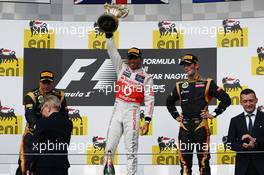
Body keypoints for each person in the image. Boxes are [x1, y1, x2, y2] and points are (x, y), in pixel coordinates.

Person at [166, 54, 231, 175]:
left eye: (189, 64)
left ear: (196, 65)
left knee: (203, 163)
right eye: (184, 65)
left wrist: (214, 113)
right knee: (185, 164)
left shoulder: (207, 83)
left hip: (201, 127)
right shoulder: (180, 85)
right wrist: (175, 115)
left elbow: (226, 99)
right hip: (184, 128)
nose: (186, 67)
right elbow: (169, 102)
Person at [104, 33, 154, 175]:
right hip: (118, 107)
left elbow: (150, 100)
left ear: (140, 59)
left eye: (135, 58)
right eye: (130, 57)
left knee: (131, 150)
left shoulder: (147, 77)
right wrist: (109, 36)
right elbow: (111, 50)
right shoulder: (121, 67)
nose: (132, 60)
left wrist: (147, 121)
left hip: (133, 111)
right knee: (109, 148)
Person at [16, 70, 68, 175]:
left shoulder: (60, 95)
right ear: (39, 82)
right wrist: (39, 126)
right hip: (33, 134)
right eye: (44, 82)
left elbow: (64, 116)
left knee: (52, 163)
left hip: (51, 136)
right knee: (24, 163)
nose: (46, 85)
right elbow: (29, 115)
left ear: (52, 83)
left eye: (48, 83)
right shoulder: (31, 96)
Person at [30, 95, 73, 175]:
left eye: (42, 109)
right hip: (62, 166)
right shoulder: (68, 123)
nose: (41, 112)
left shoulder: (42, 122)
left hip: (43, 166)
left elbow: (35, 146)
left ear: (48, 107)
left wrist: (30, 165)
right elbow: (66, 144)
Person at [227, 89, 264, 175]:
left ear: (256, 100)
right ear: (241, 102)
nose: (248, 104)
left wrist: (255, 141)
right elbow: (229, 143)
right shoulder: (235, 120)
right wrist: (242, 146)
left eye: (251, 100)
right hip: (242, 168)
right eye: (245, 101)